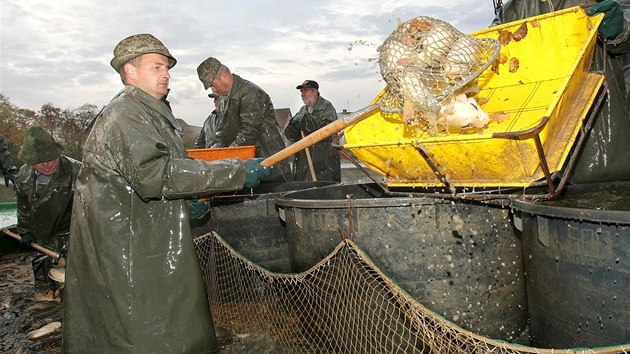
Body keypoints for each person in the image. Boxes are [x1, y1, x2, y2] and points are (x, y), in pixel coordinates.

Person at [63, 33, 271, 353]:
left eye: (168, 67)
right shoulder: (125, 114)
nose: (166, 73)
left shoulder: (149, 110)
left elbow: (161, 170)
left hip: (143, 230)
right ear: (130, 71)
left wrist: (187, 204)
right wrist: (237, 171)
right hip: (126, 243)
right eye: (156, 66)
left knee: (161, 319)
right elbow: (155, 174)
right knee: (141, 326)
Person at [493, 0, 630, 184]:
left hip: (603, 143)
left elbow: (626, 11)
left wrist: (622, 27)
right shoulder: (514, 8)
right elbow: (489, 44)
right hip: (540, 160)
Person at [197, 57, 292, 182]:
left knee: (272, 193)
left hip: (267, 158)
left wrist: (228, 157)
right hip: (248, 160)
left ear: (223, 76)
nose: (213, 90)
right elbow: (222, 129)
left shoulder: (250, 92)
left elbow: (249, 131)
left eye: (212, 86)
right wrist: (214, 153)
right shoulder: (225, 99)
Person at [15, 125, 81, 293]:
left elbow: (90, 217)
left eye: (51, 159)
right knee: (44, 282)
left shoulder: (78, 172)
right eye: (38, 161)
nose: (46, 165)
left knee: (74, 286)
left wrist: (72, 246)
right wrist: (25, 231)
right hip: (42, 237)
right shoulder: (23, 174)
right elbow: (23, 206)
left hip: (70, 234)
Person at [284, 80, 341, 182]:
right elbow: (290, 135)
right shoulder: (302, 110)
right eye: (301, 91)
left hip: (324, 161)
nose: (302, 94)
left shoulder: (326, 107)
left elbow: (328, 130)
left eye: (305, 90)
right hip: (305, 160)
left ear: (314, 91)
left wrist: (307, 120)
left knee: (324, 188)